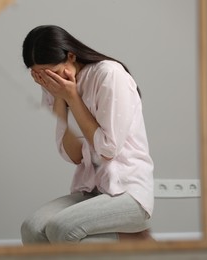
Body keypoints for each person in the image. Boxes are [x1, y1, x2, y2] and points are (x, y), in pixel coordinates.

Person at [20, 25, 154, 244]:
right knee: (32, 229)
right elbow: (73, 155)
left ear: (71, 56)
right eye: (43, 77)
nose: (52, 82)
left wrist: (72, 97)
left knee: (61, 229)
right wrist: (61, 99)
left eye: (54, 74)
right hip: (92, 190)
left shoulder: (109, 74)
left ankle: (136, 240)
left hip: (129, 191)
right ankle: (129, 240)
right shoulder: (56, 88)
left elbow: (107, 151)